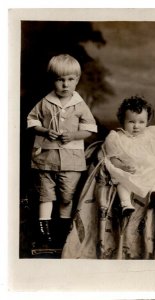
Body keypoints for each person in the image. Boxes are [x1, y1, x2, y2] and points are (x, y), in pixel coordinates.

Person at [27, 54, 97, 248]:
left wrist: (74, 135)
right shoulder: (45, 102)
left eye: (70, 79)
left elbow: (90, 128)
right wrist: (44, 130)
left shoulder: (80, 104)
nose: (65, 85)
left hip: (71, 159)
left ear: (77, 80)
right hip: (46, 157)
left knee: (67, 195)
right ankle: (44, 232)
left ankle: (63, 231)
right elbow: (32, 121)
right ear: (53, 80)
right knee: (46, 194)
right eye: (60, 80)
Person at [103, 96, 155, 216]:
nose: (136, 126)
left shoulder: (150, 135)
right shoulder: (116, 137)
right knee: (122, 182)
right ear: (122, 120)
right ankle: (126, 204)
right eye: (131, 122)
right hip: (128, 169)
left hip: (146, 168)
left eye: (141, 122)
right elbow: (113, 158)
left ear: (147, 122)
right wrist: (123, 167)